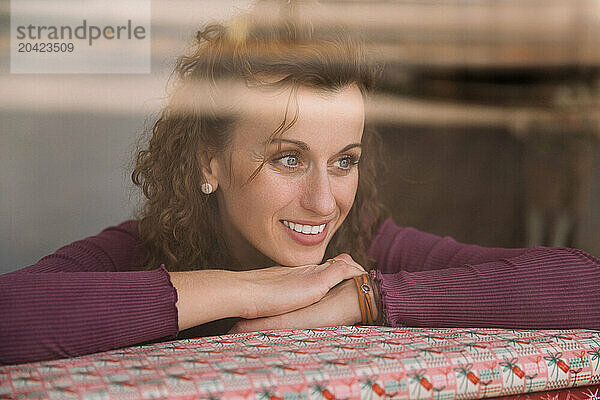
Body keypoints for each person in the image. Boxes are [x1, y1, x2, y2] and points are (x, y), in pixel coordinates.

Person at [1, 4, 599, 366]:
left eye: (344, 160)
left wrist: (361, 302)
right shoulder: (133, 252)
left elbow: (586, 285)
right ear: (208, 162)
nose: (324, 201)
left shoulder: (368, 250)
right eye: (289, 159)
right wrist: (250, 292)